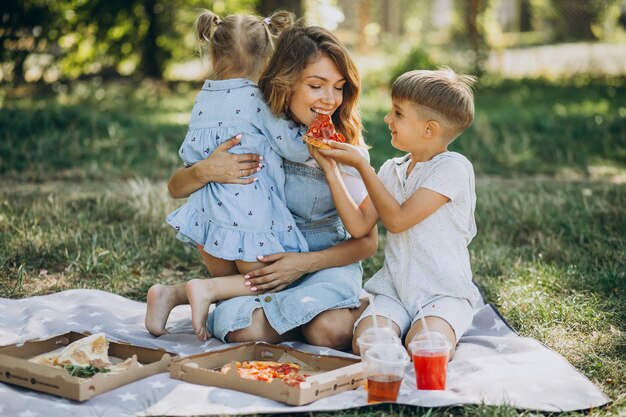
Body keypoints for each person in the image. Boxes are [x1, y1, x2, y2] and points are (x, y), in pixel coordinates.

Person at [146, 22, 378, 349]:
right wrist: (206, 170)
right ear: (286, 84)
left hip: (323, 263)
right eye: (316, 85)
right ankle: (273, 310)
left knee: (330, 332)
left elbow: (367, 242)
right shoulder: (255, 128)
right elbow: (176, 187)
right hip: (262, 272)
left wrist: (302, 264)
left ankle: (308, 311)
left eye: (339, 87)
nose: (330, 100)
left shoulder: (339, 143)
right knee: (246, 333)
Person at [152, 9, 312, 341]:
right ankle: (194, 290)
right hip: (249, 216)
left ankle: (171, 294)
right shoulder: (260, 101)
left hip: (208, 216)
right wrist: (312, 136)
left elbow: (190, 157)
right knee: (280, 280)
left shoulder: (202, 100)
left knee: (235, 292)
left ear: (213, 51)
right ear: (268, 55)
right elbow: (292, 147)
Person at [313, 67, 481, 359]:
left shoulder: (453, 168)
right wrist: (332, 171)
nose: (387, 119)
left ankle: (421, 345)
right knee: (368, 342)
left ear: (429, 129)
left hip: (442, 292)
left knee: (427, 346)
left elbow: (398, 220)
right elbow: (359, 225)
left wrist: (362, 167)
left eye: (398, 114)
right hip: (392, 292)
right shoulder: (392, 169)